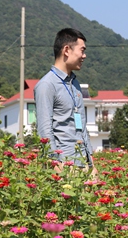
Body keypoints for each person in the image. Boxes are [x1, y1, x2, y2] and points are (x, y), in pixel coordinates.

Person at [34, 28, 95, 170]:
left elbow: (82, 127)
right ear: (66, 50)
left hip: (83, 162)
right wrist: (55, 165)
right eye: (82, 50)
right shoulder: (46, 85)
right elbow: (44, 130)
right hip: (63, 164)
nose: (84, 56)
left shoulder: (75, 84)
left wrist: (91, 163)